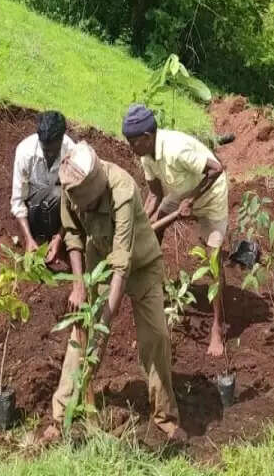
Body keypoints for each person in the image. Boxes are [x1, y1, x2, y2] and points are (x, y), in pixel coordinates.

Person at [48, 141, 186, 442]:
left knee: (156, 336)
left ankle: (164, 417)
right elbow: (72, 235)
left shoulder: (122, 189)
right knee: (81, 332)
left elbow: (122, 263)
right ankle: (61, 418)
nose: (84, 207)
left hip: (141, 265)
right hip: (100, 265)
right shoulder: (71, 188)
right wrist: (78, 285)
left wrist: (105, 325)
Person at [121, 104, 230, 357]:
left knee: (213, 257)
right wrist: (142, 224)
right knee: (153, 229)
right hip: (181, 194)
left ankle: (217, 327)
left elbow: (216, 168)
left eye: (133, 142)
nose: (130, 147)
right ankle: (153, 284)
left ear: (147, 138)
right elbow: (156, 194)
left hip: (210, 195)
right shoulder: (146, 155)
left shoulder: (176, 149)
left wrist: (191, 200)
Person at [10, 111, 75, 266]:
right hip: (35, 204)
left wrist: (59, 237)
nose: (50, 155)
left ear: (62, 139)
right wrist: (28, 238)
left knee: (60, 195)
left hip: (61, 206)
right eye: (46, 150)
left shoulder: (72, 153)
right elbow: (18, 201)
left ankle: (59, 242)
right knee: (42, 199)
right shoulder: (25, 153)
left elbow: (75, 201)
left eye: (54, 150)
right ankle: (37, 238)